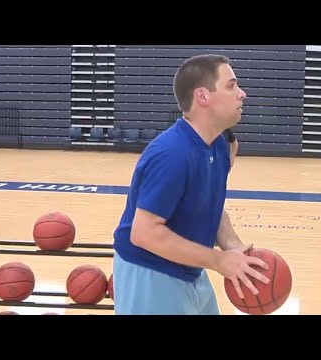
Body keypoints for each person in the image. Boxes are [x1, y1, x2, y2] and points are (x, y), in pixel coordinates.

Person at [112, 54, 269, 315]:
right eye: (231, 86)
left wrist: (233, 247)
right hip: (150, 272)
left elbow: (210, 205)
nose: (242, 93)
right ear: (203, 97)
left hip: (190, 269)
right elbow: (144, 233)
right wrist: (219, 260)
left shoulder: (221, 144)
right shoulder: (171, 154)